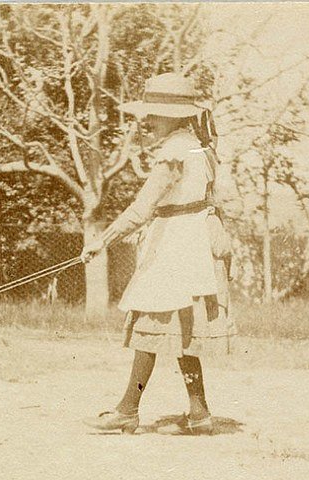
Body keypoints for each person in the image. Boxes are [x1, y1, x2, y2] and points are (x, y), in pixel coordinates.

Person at [81, 72, 232, 436]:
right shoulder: (201, 148)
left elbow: (142, 207)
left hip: (176, 246)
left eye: (155, 114)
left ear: (176, 116)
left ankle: (128, 410)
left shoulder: (176, 152)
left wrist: (102, 240)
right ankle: (199, 413)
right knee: (184, 331)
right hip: (191, 243)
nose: (148, 121)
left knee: (149, 329)